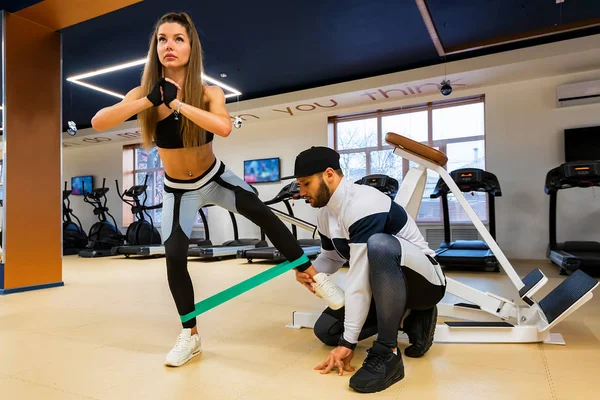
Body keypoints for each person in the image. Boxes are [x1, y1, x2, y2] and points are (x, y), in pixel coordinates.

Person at [91, 12, 345, 367]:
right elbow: (99, 121)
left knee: (261, 211)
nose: (169, 45)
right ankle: (190, 336)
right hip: (179, 190)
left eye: (178, 38)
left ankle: (314, 277)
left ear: (191, 47)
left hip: (215, 178)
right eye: (163, 39)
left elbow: (223, 128)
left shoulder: (210, 92)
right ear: (156, 47)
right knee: (175, 256)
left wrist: (177, 103)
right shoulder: (141, 93)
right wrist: (151, 100)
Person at [289, 146, 447, 394]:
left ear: (329, 174)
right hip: (383, 288)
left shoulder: (364, 203)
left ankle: (388, 351)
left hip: (425, 284)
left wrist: (349, 343)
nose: (302, 192)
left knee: (379, 245)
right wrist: (310, 270)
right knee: (326, 332)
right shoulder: (325, 214)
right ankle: (409, 317)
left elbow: (359, 280)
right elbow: (331, 257)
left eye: (306, 183)